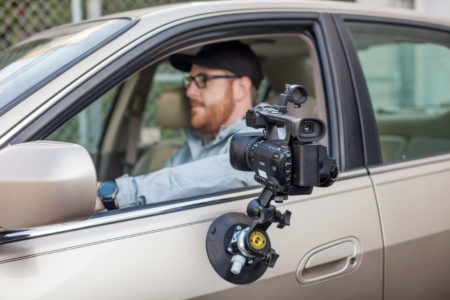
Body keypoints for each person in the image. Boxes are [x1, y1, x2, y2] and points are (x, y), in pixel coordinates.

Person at [95, 41, 263, 211]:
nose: (189, 91)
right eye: (190, 80)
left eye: (202, 79)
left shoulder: (264, 142)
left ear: (241, 88)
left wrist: (115, 194)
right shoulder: (189, 150)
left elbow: (229, 173)